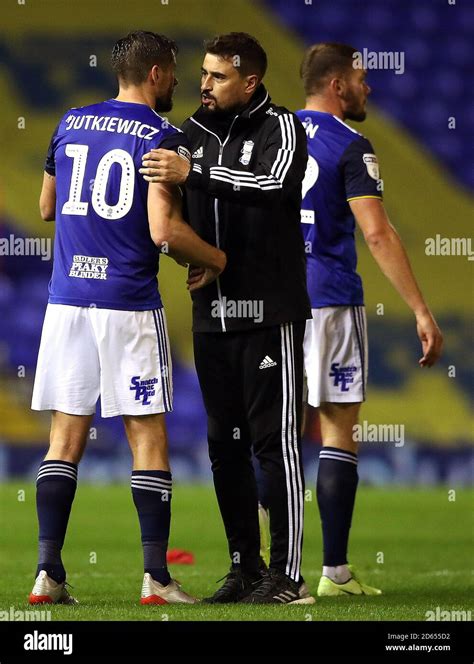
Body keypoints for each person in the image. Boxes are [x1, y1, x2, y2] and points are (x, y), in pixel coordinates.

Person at [29, 30, 226, 606]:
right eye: (175, 73)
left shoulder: (69, 122)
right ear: (159, 73)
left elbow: (46, 206)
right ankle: (156, 580)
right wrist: (217, 259)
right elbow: (164, 233)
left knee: (64, 439)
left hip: (67, 302)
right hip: (127, 305)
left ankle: (48, 573)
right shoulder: (164, 137)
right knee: (147, 435)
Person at [140, 32, 314, 604]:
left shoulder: (282, 128)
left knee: (276, 443)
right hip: (212, 315)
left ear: (251, 81)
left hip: (270, 311)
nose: (204, 84)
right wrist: (202, 257)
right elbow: (169, 218)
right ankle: (244, 566)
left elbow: (273, 186)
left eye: (217, 76)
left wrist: (193, 174)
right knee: (226, 446)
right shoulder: (191, 133)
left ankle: (286, 578)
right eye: (204, 74)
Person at [295, 42, 443, 596]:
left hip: (270, 303)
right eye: (360, 77)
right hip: (329, 298)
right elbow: (377, 233)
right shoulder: (351, 145)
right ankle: (334, 572)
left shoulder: (268, 134)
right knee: (337, 428)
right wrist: (420, 310)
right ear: (337, 85)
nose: (368, 86)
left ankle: (265, 568)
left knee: (271, 435)